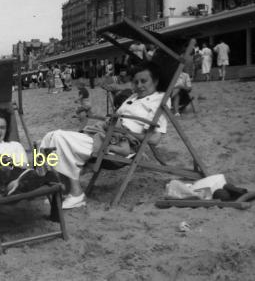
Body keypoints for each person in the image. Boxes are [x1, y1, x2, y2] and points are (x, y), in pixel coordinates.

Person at [39, 61, 169, 209]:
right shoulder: (133, 97)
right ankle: (64, 189)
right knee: (50, 138)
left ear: (156, 81)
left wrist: (122, 130)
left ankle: (76, 194)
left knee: (58, 138)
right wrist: (110, 120)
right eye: (136, 81)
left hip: (115, 142)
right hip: (102, 131)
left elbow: (154, 139)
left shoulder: (159, 100)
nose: (139, 85)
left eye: (144, 81)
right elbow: (117, 116)